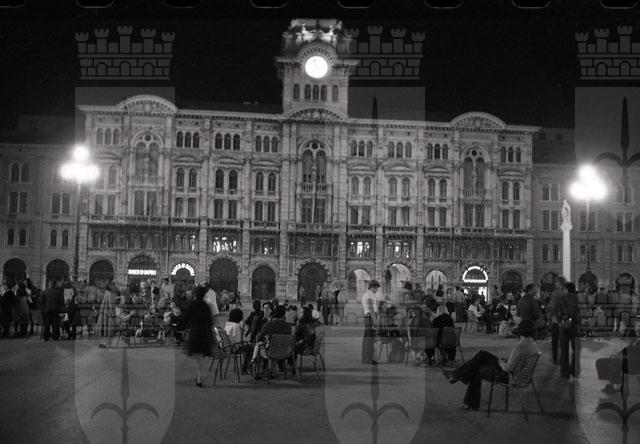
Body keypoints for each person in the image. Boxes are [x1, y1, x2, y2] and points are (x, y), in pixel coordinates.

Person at [443, 319, 540, 411]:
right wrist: (507, 361)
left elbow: (507, 368)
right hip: (522, 377)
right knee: (482, 356)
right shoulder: (533, 345)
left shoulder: (519, 346)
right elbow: (519, 362)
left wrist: (501, 362)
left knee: (478, 365)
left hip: (510, 376)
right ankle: (456, 376)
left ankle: (458, 379)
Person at [179, 286, 213, 387]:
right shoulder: (206, 306)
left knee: (197, 357)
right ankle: (199, 378)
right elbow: (210, 321)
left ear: (195, 295)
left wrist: (179, 327)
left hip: (196, 333)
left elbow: (185, 318)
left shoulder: (192, 305)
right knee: (200, 357)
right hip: (205, 334)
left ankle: (199, 378)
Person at [253, 305, 295, 379]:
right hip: (285, 352)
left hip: (271, 352)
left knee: (259, 346)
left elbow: (260, 338)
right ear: (283, 315)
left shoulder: (268, 325)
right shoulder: (288, 327)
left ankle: (259, 371)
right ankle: (273, 370)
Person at [558, 281, 580, 378]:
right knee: (576, 349)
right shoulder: (577, 298)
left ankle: (564, 372)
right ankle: (574, 370)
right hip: (574, 325)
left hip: (564, 325)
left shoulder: (562, 298)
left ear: (566, 289)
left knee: (564, 349)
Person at [361, 280, 382, 365]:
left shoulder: (369, 294)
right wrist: (375, 320)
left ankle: (368, 358)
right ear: (372, 287)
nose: (377, 290)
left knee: (369, 339)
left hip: (369, 317)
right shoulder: (369, 295)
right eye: (376, 288)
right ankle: (368, 359)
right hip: (370, 317)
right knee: (369, 339)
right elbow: (371, 309)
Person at [548, 276, 566, 365]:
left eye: (556, 282)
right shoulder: (567, 292)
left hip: (556, 319)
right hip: (566, 320)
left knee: (555, 340)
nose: (555, 284)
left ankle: (555, 359)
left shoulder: (555, 293)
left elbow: (552, 306)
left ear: (559, 283)